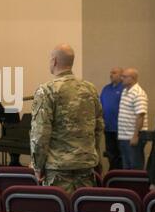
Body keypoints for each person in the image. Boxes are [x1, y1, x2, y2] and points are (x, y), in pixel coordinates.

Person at [30, 44, 104, 195]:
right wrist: (93, 154)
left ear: (54, 61)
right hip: (86, 167)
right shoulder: (90, 89)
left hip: (57, 170)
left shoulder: (46, 90)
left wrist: (37, 166)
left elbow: (40, 133)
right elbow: (99, 126)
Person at [118, 68, 148, 170]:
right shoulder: (125, 91)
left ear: (133, 78)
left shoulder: (138, 93)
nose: (121, 78)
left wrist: (135, 136)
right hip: (124, 137)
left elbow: (140, 115)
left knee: (135, 167)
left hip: (133, 137)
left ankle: (137, 186)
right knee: (126, 167)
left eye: (124, 77)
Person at [100, 67, 124, 170]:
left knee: (121, 156)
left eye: (114, 73)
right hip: (108, 128)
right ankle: (113, 175)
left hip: (121, 129)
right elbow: (100, 105)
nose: (111, 75)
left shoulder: (125, 88)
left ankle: (121, 177)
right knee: (111, 154)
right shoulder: (106, 88)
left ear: (121, 75)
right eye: (110, 73)